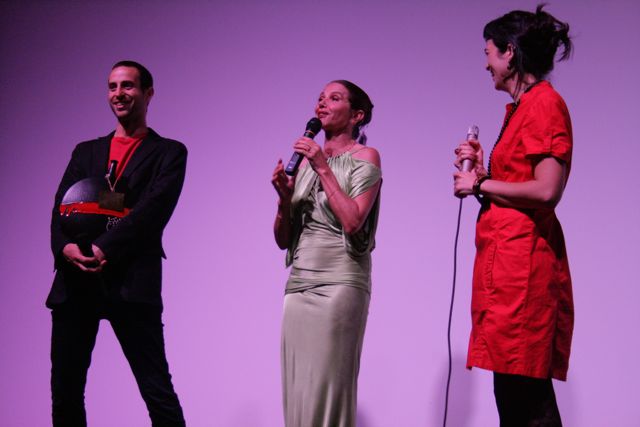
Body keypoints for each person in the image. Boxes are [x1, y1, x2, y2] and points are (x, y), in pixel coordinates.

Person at [453, 5, 574, 426]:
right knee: (514, 397)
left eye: (488, 52)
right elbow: (523, 184)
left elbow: (546, 190)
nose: (485, 62)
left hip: (524, 277)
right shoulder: (523, 108)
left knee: (527, 401)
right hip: (507, 272)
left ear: (509, 52)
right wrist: (486, 174)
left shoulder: (544, 104)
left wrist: (479, 185)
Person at [48, 61, 187, 426]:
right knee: (65, 393)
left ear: (148, 93)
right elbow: (61, 207)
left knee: (157, 391)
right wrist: (64, 247)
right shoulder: (85, 151)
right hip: (75, 281)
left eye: (127, 86)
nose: (118, 94)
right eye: (112, 87)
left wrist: (102, 248)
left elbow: (151, 211)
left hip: (131, 282)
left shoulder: (169, 153)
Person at [271, 80, 382, 427]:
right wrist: (284, 199)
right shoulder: (302, 165)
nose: (322, 104)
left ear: (356, 115)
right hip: (299, 284)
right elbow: (281, 240)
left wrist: (322, 166)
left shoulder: (366, 156)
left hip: (339, 285)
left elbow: (352, 221)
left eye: (334, 98)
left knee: (328, 388)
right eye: (319, 98)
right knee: (298, 389)